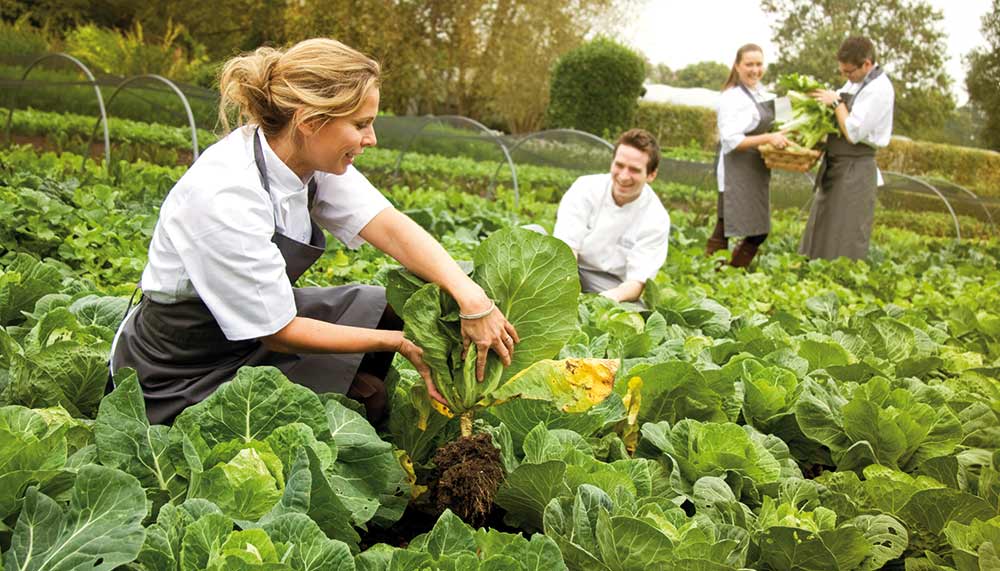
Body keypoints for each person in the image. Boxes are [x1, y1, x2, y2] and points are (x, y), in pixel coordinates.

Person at [109, 38, 518, 425]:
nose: (370, 139)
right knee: (362, 396)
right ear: (310, 121)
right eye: (361, 124)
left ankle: (355, 397)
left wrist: (472, 299)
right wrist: (399, 342)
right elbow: (279, 332)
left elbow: (390, 228)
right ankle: (354, 403)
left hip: (252, 331)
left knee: (388, 305)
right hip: (182, 364)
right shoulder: (225, 195)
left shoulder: (306, 159)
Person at [799, 36, 894, 260]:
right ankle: (812, 276)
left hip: (855, 169)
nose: (845, 77)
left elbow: (852, 132)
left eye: (849, 71)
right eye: (842, 71)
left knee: (845, 231)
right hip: (837, 165)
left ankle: (838, 283)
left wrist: (836, 103)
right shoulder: (856, 82)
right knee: (822, 226)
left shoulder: (879, 89)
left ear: (867, 64)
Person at [552, 128, 670, 303]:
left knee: (638, 309)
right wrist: (567, 288)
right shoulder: (585, 188)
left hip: (609, 283)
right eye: (619, 165)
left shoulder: (656, 218)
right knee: (532, 232)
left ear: (651, 175)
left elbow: (636, 283)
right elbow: (567, 248)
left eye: (634, 170)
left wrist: (603, 301)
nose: (623, 176)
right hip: (570, 266)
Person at [704, 43, 791, 267]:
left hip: (756, 169)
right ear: (737, 66)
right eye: (749, 64)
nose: (755, 70)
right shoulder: (731, 98)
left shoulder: (765, 93)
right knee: (725, 225)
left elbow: (787, 119)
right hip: (735, 169)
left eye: (759, 64)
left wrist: (803, 102)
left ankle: (732, 270)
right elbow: (731, 140)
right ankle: (711, 273)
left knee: (759, 230)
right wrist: (769, 138)